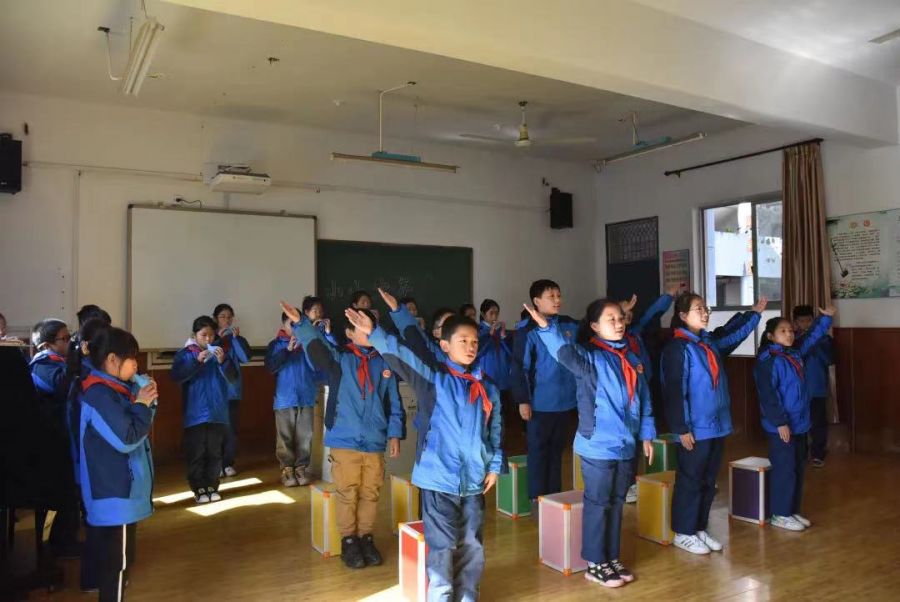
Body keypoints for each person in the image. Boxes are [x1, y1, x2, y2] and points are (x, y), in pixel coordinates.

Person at [348, 297, 501, 602]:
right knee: (442, 547)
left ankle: (468, 596)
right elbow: (403, 355)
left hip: (474, 481)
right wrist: (375, 333)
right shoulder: (434, 379)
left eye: (474, 341)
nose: (470, 346)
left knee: (472, 544)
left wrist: (494, 465)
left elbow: (495, 430)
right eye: (462, 341)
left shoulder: (488, 387)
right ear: (445, 345)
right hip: (438, 480)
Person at [524, 299, 654, 587]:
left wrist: (646, 434)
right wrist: (546, 328)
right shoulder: (588, 357)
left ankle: (611, 556)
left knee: (617, 502)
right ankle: (596, 562)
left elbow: (644, 399)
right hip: (597, 445)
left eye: (621, 318)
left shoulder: (631, 357)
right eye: (611, 319)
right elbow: (563, 352)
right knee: (598, 502)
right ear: (594, 326)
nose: (619, 323)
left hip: (626, 444)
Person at [282, 301, 404, 570]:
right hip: (345, 439)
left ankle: (366, 537)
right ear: (349, 333)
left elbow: (394, 401)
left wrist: (394, 434)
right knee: (348, 492)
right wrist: (301, 324)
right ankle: (349, 540)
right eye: (360, 326)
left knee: (371, 492)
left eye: (370, 326)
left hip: (374, 440)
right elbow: (317, 348)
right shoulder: (340, 357)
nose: (367, 330)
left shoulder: (385, 361)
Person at [661, 293, 767, 555]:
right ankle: (683, 532)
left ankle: (698, 527)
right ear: (683, 315)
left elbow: (732, 335)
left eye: (705, 308)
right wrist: (681, 428)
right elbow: (674, 391)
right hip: (694, 428)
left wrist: (754, 315)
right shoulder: (678, 348)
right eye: (698, 309)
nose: (705, 313)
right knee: (691, 479)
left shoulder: (707, 343)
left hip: (716, 425)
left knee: (708, 481)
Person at [78, 326, 157, 602]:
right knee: (117, 567)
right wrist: (143, 404)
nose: (136, 364)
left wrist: (145, 401)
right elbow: (127, 437)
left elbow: (137, 428)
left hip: (121, 492)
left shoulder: (116, 390)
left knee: (119, 562)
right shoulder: (99, 395)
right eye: (132, 358)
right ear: (112, 359)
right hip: (114, 493)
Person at [755, 307, 835, 531]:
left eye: (790, 330)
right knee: (785, 470)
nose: (789, 334)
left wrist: (825, 318)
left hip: (799, 423)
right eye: (783, 331)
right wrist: (780, 422)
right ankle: (780, 513)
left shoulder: (794, 353)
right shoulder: (768, 360)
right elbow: (768, 396)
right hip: (781, 426)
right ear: (771, 336)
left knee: (798, 469)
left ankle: (791, 510)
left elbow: (811, 337)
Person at [511, 279, 578, 511]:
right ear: (536, 301)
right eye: (551, 297)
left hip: (565, 402)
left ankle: (554, 498)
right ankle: (537, 500)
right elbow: (519, 368)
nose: (557, 300)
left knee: (557, 452)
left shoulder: (569, 324)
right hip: (539, 404)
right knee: (538, 453)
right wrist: (523, 400)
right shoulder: (527, 331)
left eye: (559, 295)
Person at [29, 318, 82, 558]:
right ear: (47, 344)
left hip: (64, 436)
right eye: (65, 338)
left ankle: (68, 540)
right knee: (60, 493)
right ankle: (59, 544)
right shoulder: (41, 365)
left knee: (70, 492)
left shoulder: (60, 362)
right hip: (53, 440)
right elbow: (60, 387)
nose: (70, 342)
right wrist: (74, 361)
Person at [171, 316, 237, 504]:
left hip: (217, 412)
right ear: (194, 335)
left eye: (211, 335)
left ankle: (212, 486)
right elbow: (177, 376)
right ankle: (198, 487)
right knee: (196, 452)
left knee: (215, 452)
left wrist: (223, 361)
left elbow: (233, 378)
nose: (208, 339)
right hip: (195, 414)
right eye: (203, 335)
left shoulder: (220, 352)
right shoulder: (185, 354)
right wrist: (196, 362)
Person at [265, 310, 319, 487]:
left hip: (306, 396)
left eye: (298, 324)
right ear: (283, 325)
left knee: (305, 436)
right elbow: (271, 367)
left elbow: (318, 366)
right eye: (291, 324)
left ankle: (301, 468)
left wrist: (308, 343)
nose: (295, 328)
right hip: (285, 398)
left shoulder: (309, 343)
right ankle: (287, 470)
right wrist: (287, 350)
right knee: (284, 437)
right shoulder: (276, 344)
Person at [792, 305, 835, 468]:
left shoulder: (824, 339)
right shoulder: (792, 340)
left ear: (814, 321)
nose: (805, 324)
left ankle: (818, 454)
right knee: (799, 422)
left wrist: (816, 345)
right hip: (799, 390)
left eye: (809, 320)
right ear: (795, 323)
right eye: (801, 321)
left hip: (817, 388)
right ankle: (801, 453)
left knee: (818, 423)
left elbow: (830, 360)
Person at [213, 303, 251, 477]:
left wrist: (235, 339)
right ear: (216, 319)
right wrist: (217, 339)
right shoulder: (210, 338)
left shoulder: (237, 340)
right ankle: (216, 464)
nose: (226, 320)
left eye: (229, 317)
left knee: (231, 430)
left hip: (232, 392)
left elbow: (245, 358)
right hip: (215, 393)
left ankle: (227, 463)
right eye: (222, 317)